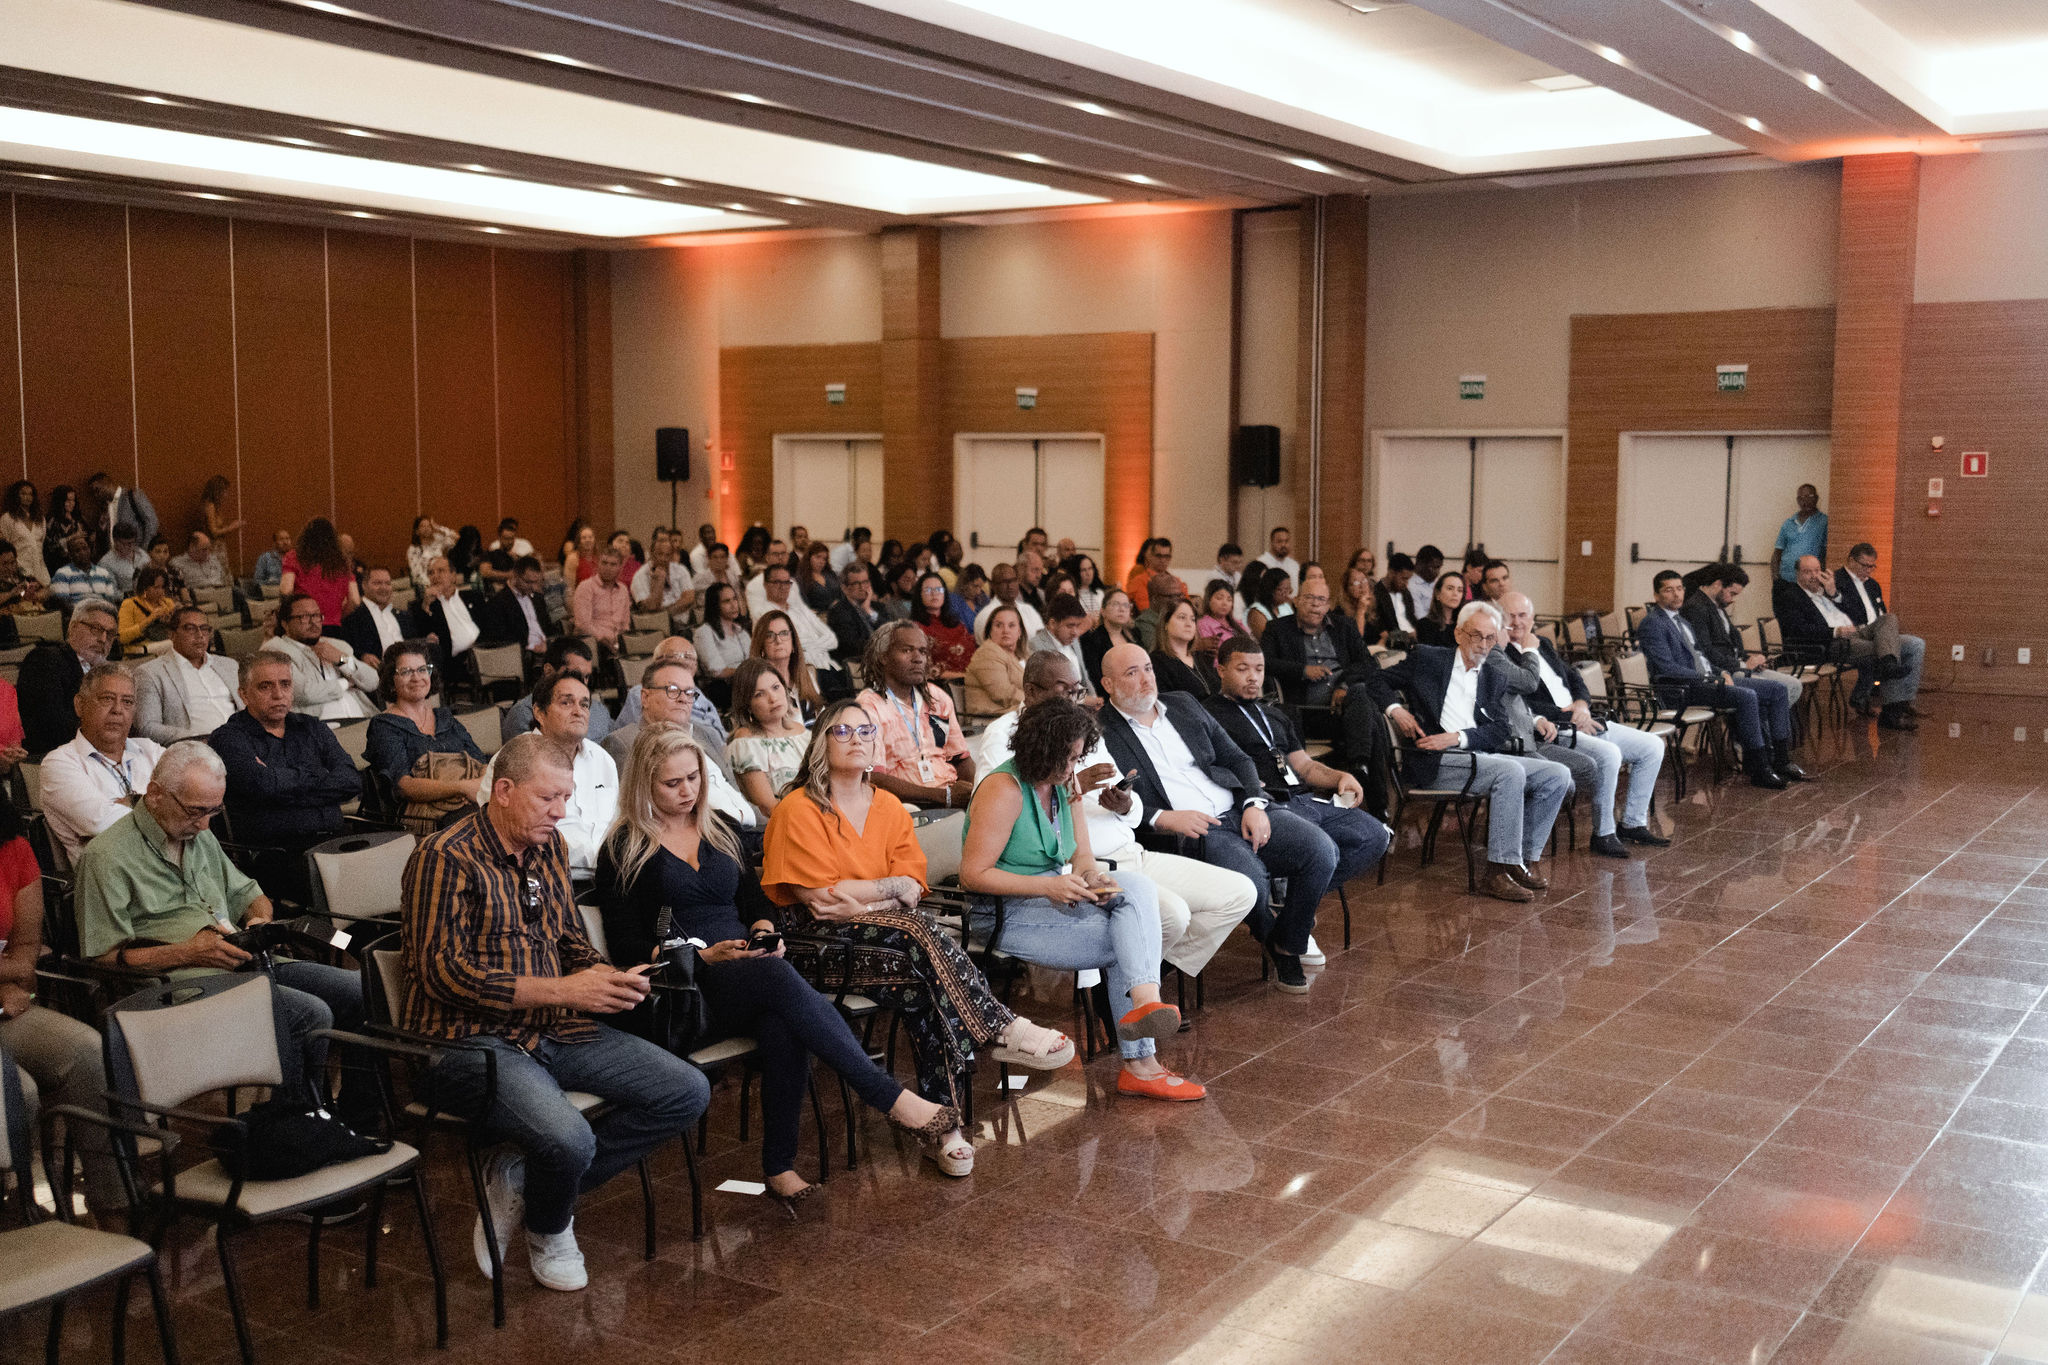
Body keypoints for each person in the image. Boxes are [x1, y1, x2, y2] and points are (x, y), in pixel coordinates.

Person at [596, 726, 962, 1197]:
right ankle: (887, 1096)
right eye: (672, 783)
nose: (687, 791)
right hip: (684, 989)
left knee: (781, 1020)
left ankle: (779, 1167)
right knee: (774, 980)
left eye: (693, 778)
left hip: (747, 975)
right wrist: (702, 955)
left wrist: (764, 932)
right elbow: (624, 943)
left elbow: (755, 903)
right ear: (643, 783)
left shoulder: (720, 827)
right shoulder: (623, 847)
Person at [402, 732, 708, 1293]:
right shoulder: (443, 857)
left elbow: (568, 939)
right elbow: (442, 973)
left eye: (566, 798)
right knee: (570, 1140)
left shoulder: (550, 848)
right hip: (467, 1041)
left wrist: (605, 977)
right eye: (548, 798)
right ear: (503, 791)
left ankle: (525, 1181)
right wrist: (565, 991)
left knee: (686, 1091)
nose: (561, 812)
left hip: (554, 1028)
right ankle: (550, 1226)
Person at [962, 697, 1203, 1098]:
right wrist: (1048, 886)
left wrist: (1091, 877)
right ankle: (1141, 1064)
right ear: (1039, 749)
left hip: (1052, 896)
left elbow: (1083, 856)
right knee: (1124, 940)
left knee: (1137, 887)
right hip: (1003, 910)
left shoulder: (1064, 784)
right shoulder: (1003, 790)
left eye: (1076, 757)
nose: (1072, 768)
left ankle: (1146, 1000)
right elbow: (973, 875)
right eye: (1067, 758)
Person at [974, 650, 1257, 980]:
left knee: (1240, 892)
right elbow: (998, 811)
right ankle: (1137, 976)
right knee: (1172, 915)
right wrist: (1071, 786)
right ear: (1032, 691)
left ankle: (1145, 971)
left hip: (1128, 851)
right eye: (1064, 690)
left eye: (1078, 691)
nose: (1073, 700)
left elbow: (1132, 810)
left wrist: (1124, 804)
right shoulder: (1004, 734)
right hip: (1076, 867)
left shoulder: (1082, 728)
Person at [1097, 643, 1345, 993]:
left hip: (1238, 806)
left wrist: (1254, 804)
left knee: (1322, 850)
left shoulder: (1182, 703)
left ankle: (1287, 943)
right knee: (1251, 880)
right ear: (1108, 684)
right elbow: (1110, 800)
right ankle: (1271, 936)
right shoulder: (1101, 731)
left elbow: (1237, 758)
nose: (1145, 679)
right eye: (1131, 673)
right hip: (1192, 828)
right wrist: (1163, 817)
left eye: (1148, 668)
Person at [1382, 604, 1573, 903]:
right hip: (1435, 761)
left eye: (1490, 638)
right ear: (1459, 634)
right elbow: (1375, 679)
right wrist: (1395, 710)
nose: (1483, 645)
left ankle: (1521, 859)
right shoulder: (1430, 659)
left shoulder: (1492, 675)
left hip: (1474, 755)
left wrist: (1459, 737)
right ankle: (1495, 872)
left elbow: (1501, 729)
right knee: (1511, 771)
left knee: (1557, 774)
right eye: (1476, 636)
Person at [0, 792, 122, 1212]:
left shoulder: (13, 849)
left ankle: (115, 1198)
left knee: (84, 1049)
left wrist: (10, 980)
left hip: (6, 1005)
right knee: (19, 1090)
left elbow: (25, 955)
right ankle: (20, 1210)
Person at [1206, 637, 1391, 898]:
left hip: (1303, 800)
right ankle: (1298, 905)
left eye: (1259, 669)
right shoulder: (1208, 715)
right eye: (1242, 669)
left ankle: (1295, 902)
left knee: (1376, 836)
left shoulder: (1276, 714)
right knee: (1324, 848)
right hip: (1269, 806)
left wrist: (1340, 776)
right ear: (1221, 670)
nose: (1253, 677)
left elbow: (1304, 766)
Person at [1497, 593, 1669, 858]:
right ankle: (1603, 833)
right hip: (1552, 728)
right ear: (1500, 619)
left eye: (1523, 615)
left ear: (1532, 618)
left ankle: (1632, 823)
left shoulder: (1542, 643)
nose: (1518, 622)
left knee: (1652, 746)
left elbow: (1574, 677)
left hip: (1582, 718)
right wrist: (1569, 717)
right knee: (1609, 754)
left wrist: (1582, 705)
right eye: (1511, 616)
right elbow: (1519, 704)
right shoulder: (1500, 654)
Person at [207, 653, 363, 902]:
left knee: (390, 866)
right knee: (346, 884)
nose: (278, 694)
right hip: (276, 852)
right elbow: (264, 786)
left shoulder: (312, 727)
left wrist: (283, 784)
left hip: (334, 840)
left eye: (285, 684)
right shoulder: (229, 738)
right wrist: (320, 776)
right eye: (265, 686)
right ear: (244, 694)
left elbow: (351, 781)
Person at [1641, 570, 1803, 785]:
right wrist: (1707, 677)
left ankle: (1781, 760)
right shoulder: (1653, 623)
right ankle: (1759, 768)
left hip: (1707, 681)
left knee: (1777, 689)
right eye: (1669, 590)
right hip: (1682, 688)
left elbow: (1701, 657)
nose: (1677, 594)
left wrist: (1721, 672)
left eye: (1679, 588)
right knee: (1746, 695)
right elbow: (1666, 668)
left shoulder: (1682, 621)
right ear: (1656, 595)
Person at [1259, 578, 1393, 794]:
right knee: (1374, 721)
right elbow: (1265, 662)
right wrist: (1303, 670)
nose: (1315, 604)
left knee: (1360, 693)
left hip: (1344, 713)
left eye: (1321, 599)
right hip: (1306, 714)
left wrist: (1343, 685)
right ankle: (1370, 788)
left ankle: (1359, 766)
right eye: (1309, 598)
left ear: (1328, 605)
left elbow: (1367, 663)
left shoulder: (1345, 626)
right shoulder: (1277, 628)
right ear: (1296, 600)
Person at [479, 671, 617, 879]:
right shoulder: (513, 758)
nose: (578, 712)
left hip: (610, 876)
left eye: (584, 704)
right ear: (539, 713)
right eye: (566, 703)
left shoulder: (602, 758)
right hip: (545, 877)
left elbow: (616, 823)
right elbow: (496, 832)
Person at [1774, 554, 1923, 731]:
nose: (1814, 576)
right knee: (1889, 650)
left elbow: (1858, 614)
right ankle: (1892, 711)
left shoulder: (1827, 590)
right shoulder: (1791, 596)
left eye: (1817, 570)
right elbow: (1797, 630)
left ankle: (1889, 666)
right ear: (1797, 574)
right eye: (1808, 572)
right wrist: (1835, 631)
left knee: (1893, 622)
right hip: (1831, 643)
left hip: (1857, 632)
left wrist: (1834, 594)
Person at [41, 665, 165, 866]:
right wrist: (166, 806)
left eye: (127, 702)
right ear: (80, 705)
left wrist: (128, 803)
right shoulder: (59, 763)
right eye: (107, 699)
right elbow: (104, 825)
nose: (117, 710)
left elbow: (193, 800)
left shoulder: (150, 750)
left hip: (169, 866)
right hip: (115, 876)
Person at [365, 641, 488, 833]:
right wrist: (462, 788)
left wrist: (479, 784)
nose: (417, 678)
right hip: (423, 817)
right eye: (406, 671)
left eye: (422, 669)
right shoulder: (384, 726)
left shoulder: (445, 718)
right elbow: (404, 786)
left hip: (469, 802)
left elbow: (481, 762)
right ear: (391, 680)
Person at [855, 620, 976, 811]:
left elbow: (960, 759)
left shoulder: (936, 698)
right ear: (884, 657)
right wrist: (943, 797)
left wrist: (974, 792)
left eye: (922, 651)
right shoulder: (868, 707)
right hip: (908, 808)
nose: (918, 658)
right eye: (907, 650)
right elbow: (873, 778)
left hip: (950, 798)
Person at [1679, 563, 1804, 707]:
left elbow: (1732, 646)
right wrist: (1742, 664)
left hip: (1737, 667)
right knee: (1778, 689)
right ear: (1718, 584)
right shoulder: (1696, 608)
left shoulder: (1717, 605)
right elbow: (1706, 651)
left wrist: (1751, 660)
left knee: (1794, 685)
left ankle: (1766, 719)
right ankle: (1764, 720)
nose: (1732, 599)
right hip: (1724, 672)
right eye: (1732, 593)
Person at [1833, 543, 1926, 720]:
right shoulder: (1836, 582)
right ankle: (1891, 706)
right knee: (1886, 650)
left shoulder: (1873, 585)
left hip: (1878, 632)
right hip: (1854, 633)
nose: (1868, 570)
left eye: (1872, 566)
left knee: (1916, 644)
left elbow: (1881, 613)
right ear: (1851, 560)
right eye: (1864, 565)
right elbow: (1839, 610)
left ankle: (1904, 700)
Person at [19, 597, 116, 754]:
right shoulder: (45, 660)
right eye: (96, 629)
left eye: (110, 634)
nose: (103, 639)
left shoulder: (110, 673)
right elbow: (52, 724)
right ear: (73, 627)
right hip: (58, 755)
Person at [264, 591, 379, 721]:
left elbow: (372, 681)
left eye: (316, 616)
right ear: (285, 624)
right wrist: (346, 683)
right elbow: (304, 693)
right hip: (321, 725)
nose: (313, 622)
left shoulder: (336, 645)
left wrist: (341, 660)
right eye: (304, 617)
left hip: (362, 717)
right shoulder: (275, 650)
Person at [133, 605, 240, 743]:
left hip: (243, 740)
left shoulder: (229, 665)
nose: (200, 635)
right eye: (190, 628)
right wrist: (197, 738)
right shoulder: (151, 673)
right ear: (172, 634)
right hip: (195, 747)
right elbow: (147, 727)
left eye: (204, 629)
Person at [725, 658, 810, 823]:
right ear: (748, 705)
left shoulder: (802, 733)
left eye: (776, 687)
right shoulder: (746, 742)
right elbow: (769, 807)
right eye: (759, 694)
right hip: (788, 823)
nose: (773, 698)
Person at [751, 562, 847, 698]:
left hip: (827, 665)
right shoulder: (763, 613)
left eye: (786, 582)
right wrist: (815, 641)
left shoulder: (799, 609)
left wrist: (807, 645)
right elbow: (788, 644)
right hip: (802, 669)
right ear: (766, 585)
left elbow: (832, 639)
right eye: (777, 582)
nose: (783, 587)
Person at [504, 637, 614, 744]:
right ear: (548, 671)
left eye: (587, 676)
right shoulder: (523, 714)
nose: (583, 683)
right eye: (574, 675)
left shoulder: (599, 709)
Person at [280, 518, 360, 628]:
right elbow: (355, 600)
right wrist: (338, 615)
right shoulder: (342, 562)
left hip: (304, 624)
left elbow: (286, 590)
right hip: (333, 625)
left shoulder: (294, 557)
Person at [340, 565, 413, 669]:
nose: (383, 588)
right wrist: (362, 657)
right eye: (377, 583)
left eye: (387, 583)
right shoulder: (353, 618)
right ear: (364, 586)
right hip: (378, 672)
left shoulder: (403, 616)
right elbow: (345, 654)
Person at [1027, 593, 1095, 703]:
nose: (1075, 632)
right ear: (1053, 624)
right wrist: (1083, 700)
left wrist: (1095, 698)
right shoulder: (1036, 646)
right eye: (1070, 626)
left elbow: (1084, 678)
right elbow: (1050, 690)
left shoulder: (1073, 641)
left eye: (1077, 626)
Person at [693, 580, 749, 709]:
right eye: (727, 601)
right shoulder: (704, 632)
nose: (734, 605)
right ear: (715, 606)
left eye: (734, 599)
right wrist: (747, 671)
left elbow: (753, 658)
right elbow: (717, 671)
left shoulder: (740, 630)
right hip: (722, 687)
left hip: (745, 680)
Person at [909, 572, 975, 679]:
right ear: (919, 595)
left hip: (971, 679)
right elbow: (926, 670)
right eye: (928, 590)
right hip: (942, 684)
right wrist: (965, 677)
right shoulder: (915, 629)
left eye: (939, 590)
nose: (934, 594)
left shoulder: (958, 624)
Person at [965, 604, 1028, 716]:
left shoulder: (1021, 655)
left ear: (1020, 631)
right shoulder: (987, 653)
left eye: (1011, 625)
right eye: (999, 625)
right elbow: (1003, 693)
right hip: (991, 719)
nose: (1005, 630)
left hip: (1016, 714)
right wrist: (1037, 701)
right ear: (990, 631)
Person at [1150, 597, 1216, 700]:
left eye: (1193, 619)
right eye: (1182, 617)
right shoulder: (1156, 661)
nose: (1189, 624)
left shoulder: (1202, 657)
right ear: (1166, 624)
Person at [572, 547, 632, 656]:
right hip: (594, 644)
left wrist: (624, 641)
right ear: (598, 564)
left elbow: (625, 624)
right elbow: (582, 625)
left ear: (620, 567)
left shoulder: (623, 589)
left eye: (613, 564)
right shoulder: (585, 587)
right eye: (604, 563)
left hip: (618, 644)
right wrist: (602, 639)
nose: (608, 568)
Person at [825, 561, 883, 671]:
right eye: (856, 583)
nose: (862, 587)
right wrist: (883, 647)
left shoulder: (877, 607)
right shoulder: (839, 612)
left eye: (865, 582)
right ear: (844, 588)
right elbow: (854, 646)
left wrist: (868, 611)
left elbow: (890, 631)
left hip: (880, 662)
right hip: (857, 667)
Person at [85, 473, 157, 558]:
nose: (96, 495)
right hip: (115, 557)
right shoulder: (106, 507)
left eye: (98, 490)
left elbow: (152, 522)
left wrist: (143, 551)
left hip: (135, 555)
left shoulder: (132, 496)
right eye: (94, 493)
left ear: (107, 483)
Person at [48, 532, 118, 615]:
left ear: (90, 550)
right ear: (70, 555)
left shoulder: (104, 573)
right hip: (78, 617)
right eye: (77, 550)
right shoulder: (62, 574)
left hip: (102, 616)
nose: (82, 553)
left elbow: (110, 601)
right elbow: (64, 604)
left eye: (85, 548)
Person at [1080, 586, 1137, 687]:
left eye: (1126, 605)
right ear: (1103, 611)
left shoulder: (1135, 635)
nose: (1122, 609)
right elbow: (1094, 678)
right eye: (1115, 604)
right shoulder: (1092, 640)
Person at [631, 530, 693, 622]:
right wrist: (659, 583)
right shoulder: (640, 576)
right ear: (651, 553)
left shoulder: (680, 569)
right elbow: (650, 609)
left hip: (682, 623)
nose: (663, 559)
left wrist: (666, 613)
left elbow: (689, 598)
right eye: (660, 554)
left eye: (667, 555)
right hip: (655, 624)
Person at [973, 562, 1044, 643]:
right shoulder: (986, 615)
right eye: (1005, 582)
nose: (1010, 586)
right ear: (993, 585)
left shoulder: (1028, 610)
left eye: (1014, 580)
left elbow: (1043, 640)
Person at [1771, 483, 1827, 582]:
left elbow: (1825, 553)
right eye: (1801, 498)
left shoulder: (1824, 522)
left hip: (1811, 581)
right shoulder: (1788, 523)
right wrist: (1776, 578)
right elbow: (1777, 553)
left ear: (1816, 498)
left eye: (1810, 496)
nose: (1806, 501)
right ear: (1798, 500)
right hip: (1785, 579)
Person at [114, 564, 179, 649]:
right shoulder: (129, 604)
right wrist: (150, 619)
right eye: (156, 587)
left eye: (162, 587)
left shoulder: (168, 603)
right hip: (139, 650)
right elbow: (122, 638)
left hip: (166, 646)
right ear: (145, 587)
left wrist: (171, 620)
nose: (160, 591)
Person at [0, 480, 48, 585]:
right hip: (21, 569)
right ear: (16, 495)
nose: (27, 497)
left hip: (40, 568)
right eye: (23, 494)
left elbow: (42, 541)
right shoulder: (7, 518)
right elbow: (5, 545)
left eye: (30, 494)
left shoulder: (40, 518)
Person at [1132, 573, 1186, 652]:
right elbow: (1158, 651)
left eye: (1179, 595)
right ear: (1154, 599)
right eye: (1170, 596)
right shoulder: (1145, 622)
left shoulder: (1183, 617)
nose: (1177, 600)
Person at [1415, 572, 1466, 649]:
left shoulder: (1465, 625)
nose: (1455, 593)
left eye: (1460, 590)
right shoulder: (1424, 624)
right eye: (1450, 588)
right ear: (1437, 594)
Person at [405, 516, 457, 589]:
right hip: (427, 585)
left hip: (443, 582)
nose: (426, 528)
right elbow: (416, 574)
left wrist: (438, 528)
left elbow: (456, 538)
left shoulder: (438, 542)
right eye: (423, 526)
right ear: (417, 531)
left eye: (429, 526)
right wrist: (432, 584)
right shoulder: (413, 549)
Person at [1245, 565, 1294, 641]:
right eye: (1282, 590)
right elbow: (1267, 641)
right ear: (1270, 589)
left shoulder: (1285, 606)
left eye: (1288, 589)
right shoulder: (1256, 612)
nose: (1287, 593)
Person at [1376, 553, 1418, 640]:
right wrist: (1406, 635)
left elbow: (1412, 619)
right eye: (1404, 578)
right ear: (1391, 573)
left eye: (1408, 579)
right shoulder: (1376, 595)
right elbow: (1379, 632)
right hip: (1394, 644)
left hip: (1413, 641)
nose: (1406, 584)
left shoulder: (1405, 593)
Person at [1123, 538, 1172, 610]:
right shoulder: (1139, 575)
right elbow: (1144, 607)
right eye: (1159, 556)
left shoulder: (1172, 579)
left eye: (1166, 556)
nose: (1163, 560)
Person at [0, 542, 46, 616]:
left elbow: (43, 589)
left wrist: (35, 593)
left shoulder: (20, 572)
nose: (10, 567)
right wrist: (11, 593)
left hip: (28, 612)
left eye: (12, 562)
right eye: (5, 564)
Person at [1408, 545, 1444, 621]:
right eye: (1434, 567)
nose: (1437, 572)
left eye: (1439, 568)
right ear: (1420, 564)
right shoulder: (1411, 586)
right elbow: (1421, 619)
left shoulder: (1435, 581)